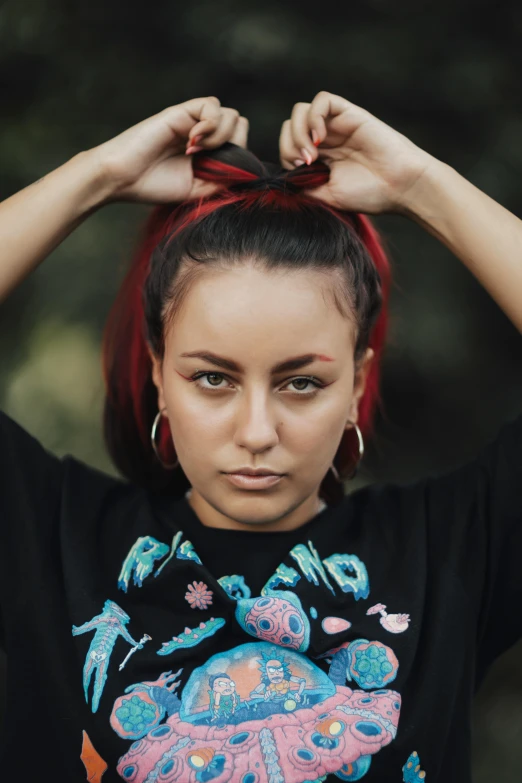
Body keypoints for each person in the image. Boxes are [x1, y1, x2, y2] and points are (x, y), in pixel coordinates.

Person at [0, 91, 520, 783]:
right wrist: (98, 175)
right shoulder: (47, 538)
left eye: (300, 382)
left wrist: (419, 184)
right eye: (213, 378)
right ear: (159, 374)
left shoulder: (453, 550)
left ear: (357, 384)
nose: (256, 431)